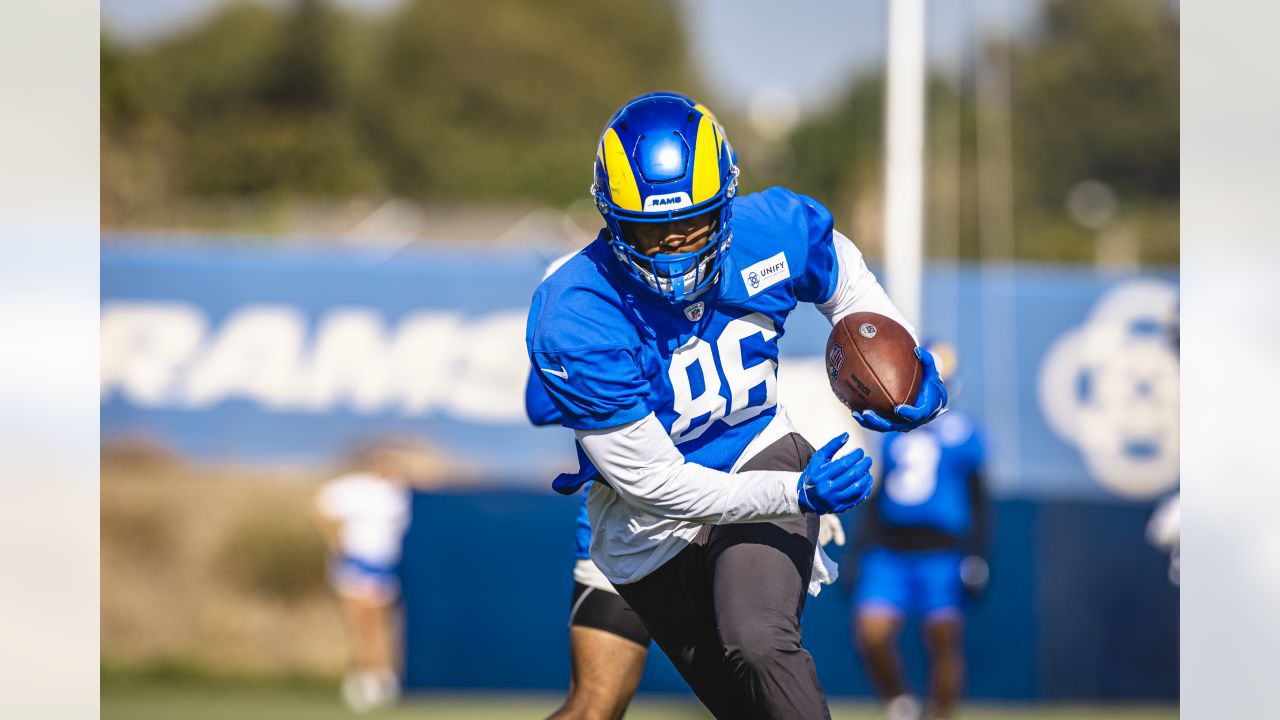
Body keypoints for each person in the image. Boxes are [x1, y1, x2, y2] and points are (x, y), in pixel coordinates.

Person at [525, 92, 947, 719]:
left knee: (757, 642)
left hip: (757, 450)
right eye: (651, 228)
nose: (672, 249)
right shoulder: (578, 312)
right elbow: (657, 485)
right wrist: (798, 495)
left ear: (725, 201)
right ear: (610, 218)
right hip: (646, 522)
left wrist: (899, 354)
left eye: (691, 224)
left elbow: (846, 277)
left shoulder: (770, 229)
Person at [848, 341, 989, 720]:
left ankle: (940, 716)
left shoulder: (963, 430)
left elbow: (979, 496)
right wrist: (860, 550)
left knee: (943, 640)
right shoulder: (890, 428)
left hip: (942, 549)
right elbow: (879, 496)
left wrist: (978, 552)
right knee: (872, 632)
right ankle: (901, 705)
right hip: (890, 546)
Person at [312, 444, 416, 713]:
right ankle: (363, 678)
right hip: (355, 563)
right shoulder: (357, 488)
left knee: (380, 622)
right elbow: (322, 507)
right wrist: (335, 540)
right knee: (359, 621)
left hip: (383, 566)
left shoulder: (400, 494)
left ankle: (383, 678)